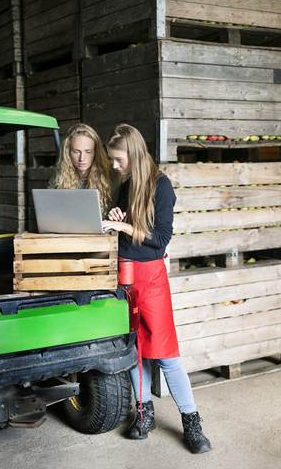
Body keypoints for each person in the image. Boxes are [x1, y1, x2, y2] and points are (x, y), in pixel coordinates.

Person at [103, 124, 212, 454]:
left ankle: (192, 422)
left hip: (151, 277)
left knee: (165, 355)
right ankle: (143, 414)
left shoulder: (162, 187)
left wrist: (123, 226)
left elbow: (160, 239)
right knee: (134, 349)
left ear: (134, 154)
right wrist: (116, 214)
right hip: (124, 274)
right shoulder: (127, 185)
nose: (114, 165)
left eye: (117, 159)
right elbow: (129, 229)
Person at [48, 123, 122, 218]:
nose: (82, 158)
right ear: (68, 152)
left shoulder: (113, 175)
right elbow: (48, 213)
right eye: (76, 152)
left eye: (88, 152)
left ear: (96, 152)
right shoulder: (59, 178)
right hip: (67, 231)